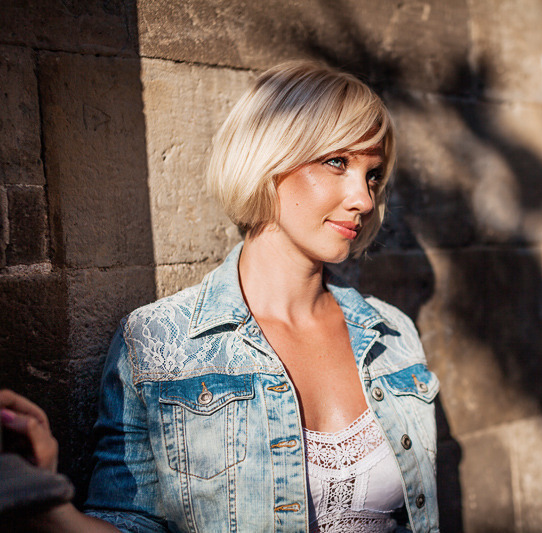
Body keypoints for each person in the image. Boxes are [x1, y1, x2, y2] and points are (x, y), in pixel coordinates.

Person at [0, 60, 439, 532]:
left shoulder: (392, 334)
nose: (364, 199)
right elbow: (130, 521)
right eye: (338, 162)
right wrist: (44, 502)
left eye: (372, 175)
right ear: (269, 159)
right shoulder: (158, 341)